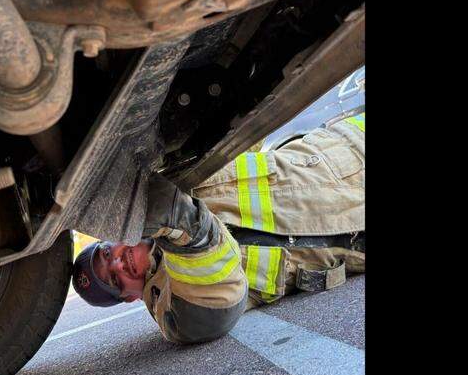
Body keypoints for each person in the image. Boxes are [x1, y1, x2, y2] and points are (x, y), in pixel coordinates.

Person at [71, 113, 365, 344]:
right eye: (114, 279)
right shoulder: (173, 303)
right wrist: (181, 227)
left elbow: (240, 125)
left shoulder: (171, 178)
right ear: (130, 298)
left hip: (348, 149)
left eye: (108, 253)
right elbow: (205, 314)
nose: (119, 263)